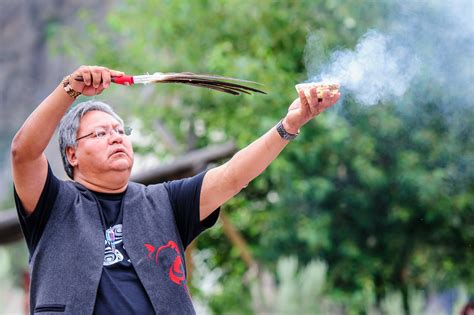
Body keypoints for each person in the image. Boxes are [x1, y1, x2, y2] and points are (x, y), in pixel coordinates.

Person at [11, 65, 340, 314]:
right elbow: (23, 153)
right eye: (100, 134)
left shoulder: (162, 202)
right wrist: (70, 88)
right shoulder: (52, 204)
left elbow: (234, 175)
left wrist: (288, 125)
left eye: (120, 130)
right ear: (71, 154)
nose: (116, 137)